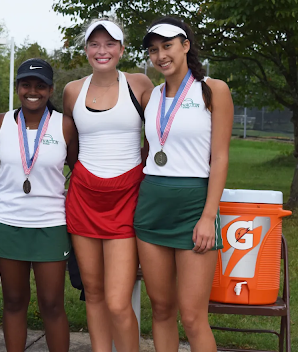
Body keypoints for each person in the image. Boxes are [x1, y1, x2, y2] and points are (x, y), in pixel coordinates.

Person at [134, 16, 233, 352]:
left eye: (167, 46)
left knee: (192, 317)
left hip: (193, 206)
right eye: (153, 49)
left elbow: (219, 158)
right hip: (152, 206)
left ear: (186, 46)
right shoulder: (151, 97)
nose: (160, 55)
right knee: (161, 309)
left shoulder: (213, 90)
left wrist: (208, 216)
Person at [63, 18, 154, 352]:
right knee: (94, 292)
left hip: (127, 199)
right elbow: (70, 145)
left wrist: (139, 171)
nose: (102, 51)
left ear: (122, 48)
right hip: (84, 199)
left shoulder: (140, 84)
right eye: (94, 44)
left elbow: (157, 135)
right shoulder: (73, 90)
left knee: (117, 301)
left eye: (110, 43)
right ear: (86, 49)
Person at [0, 58, 78, 352]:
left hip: (50, 225)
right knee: (13, 301)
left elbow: (78, 168)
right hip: (8, 222)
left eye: (40, 85)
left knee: (51, 304)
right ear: (18, 88)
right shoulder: (0, 122)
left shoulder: (64, 125)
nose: (32, 91)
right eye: (26, 85)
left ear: (51, 89)